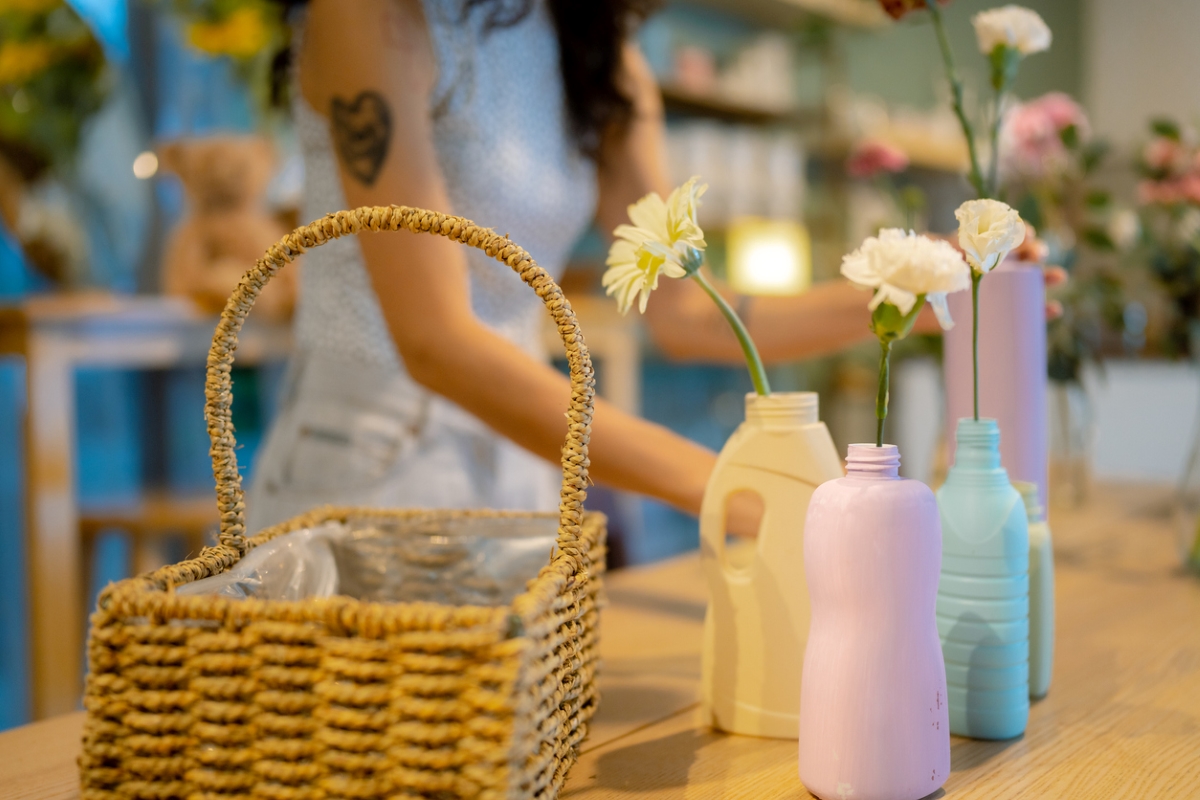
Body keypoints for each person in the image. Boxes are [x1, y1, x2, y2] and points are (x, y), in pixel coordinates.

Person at [246, 0, 1049, 536]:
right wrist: (733, 483)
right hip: (367, 470)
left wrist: (932, 275)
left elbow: (691, 308)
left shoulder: (597, 56)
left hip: (523, 470)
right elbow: (437, 342)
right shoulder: (374, 16)